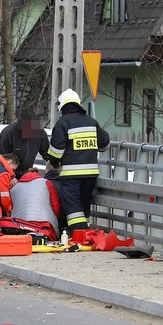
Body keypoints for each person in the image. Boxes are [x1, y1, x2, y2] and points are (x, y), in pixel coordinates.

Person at [48, 89, 112, 234]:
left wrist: (54, 162)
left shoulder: (63, 122)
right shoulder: (91, 121)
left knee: (73, 207)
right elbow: (105, 143)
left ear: (62, 105)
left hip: (71, 175)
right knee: (84, 205)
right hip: (90, 174)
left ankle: (79, 234)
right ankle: (86, 234)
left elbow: (56, 150)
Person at [9, 164, 64, 240]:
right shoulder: (46, 183)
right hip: (43, 225)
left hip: (19, 226)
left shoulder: (15, 188)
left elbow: (11, 208)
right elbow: (56, 206)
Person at [0, 110, 50, 177]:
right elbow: (1, 160)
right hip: (10, 175)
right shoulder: (8, 133)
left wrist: (52, 167)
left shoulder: (40, 132)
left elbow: (47, 154)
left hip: (28, 174)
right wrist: (11, 177)